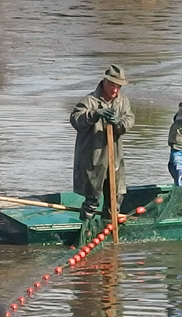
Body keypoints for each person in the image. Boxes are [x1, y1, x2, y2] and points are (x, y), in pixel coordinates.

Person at [70, 64, 136, 221]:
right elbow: (75, 120)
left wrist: (117, 122)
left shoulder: (122, 102)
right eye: (113, 86)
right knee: (92, 199)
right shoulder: (89, 101)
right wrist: (94, 115)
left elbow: (129, 120)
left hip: (114, 159)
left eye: (118, 87)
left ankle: (108, 227)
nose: (115, 91)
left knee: (116, 198)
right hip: (93, 158)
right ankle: (86, 230)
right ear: (105, 82)